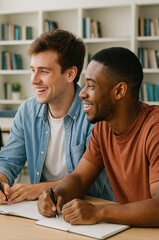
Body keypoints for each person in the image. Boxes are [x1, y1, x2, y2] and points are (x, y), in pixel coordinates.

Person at [0, 29, 114, 204]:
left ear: (70, 74)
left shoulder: (95, 114)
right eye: (32, 70)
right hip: (44, 210)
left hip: (89, 209)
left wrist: (39, 189)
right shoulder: (27, 111)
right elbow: (7, 160)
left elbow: (93, 183)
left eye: (44, 72)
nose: (34, 80)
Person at [37, 47, 159, 227]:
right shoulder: (102, 128)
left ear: (119, 91)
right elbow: (79, 178)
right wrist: (56, 195)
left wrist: (98, 212)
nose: (82, 93)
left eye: (91, 86)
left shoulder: (154, 129)